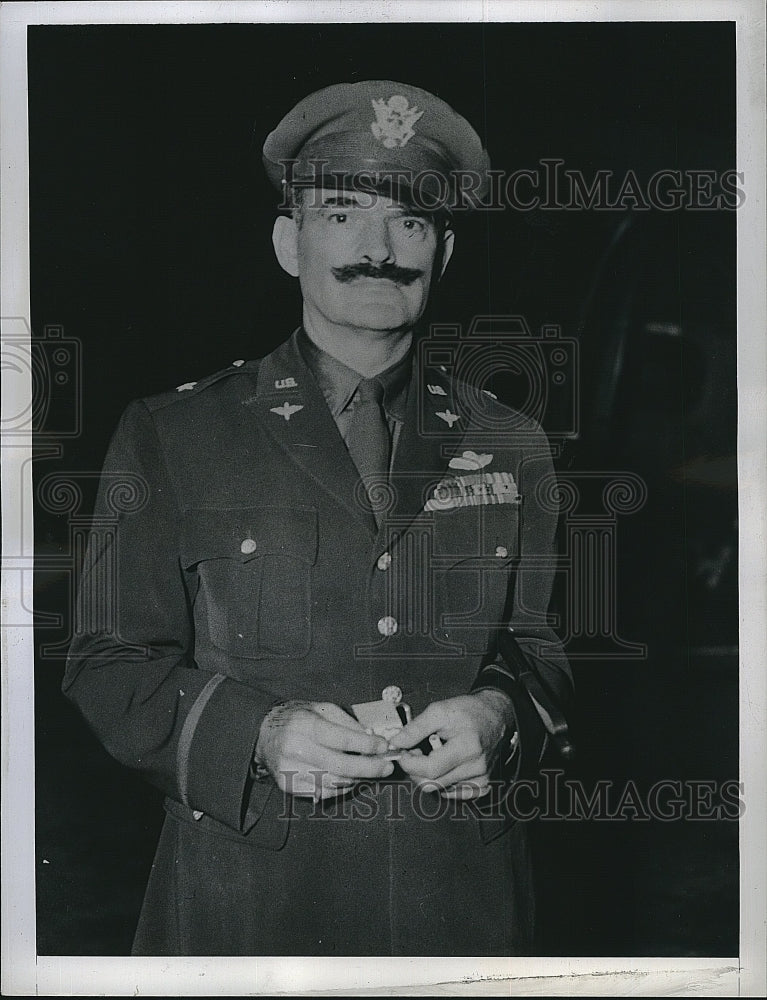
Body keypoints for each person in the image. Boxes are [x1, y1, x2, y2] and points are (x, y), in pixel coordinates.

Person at [63, 80, 572, 956]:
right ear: (286, 243)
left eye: (410, 222)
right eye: (342, 214)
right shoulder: (172, 434)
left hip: (461, 904)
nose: (379, 249)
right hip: (249, 901)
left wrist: (502, 714)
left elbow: (546, 648)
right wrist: (256, 734)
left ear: (443, 252)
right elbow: (108, 664)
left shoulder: (512, 441)